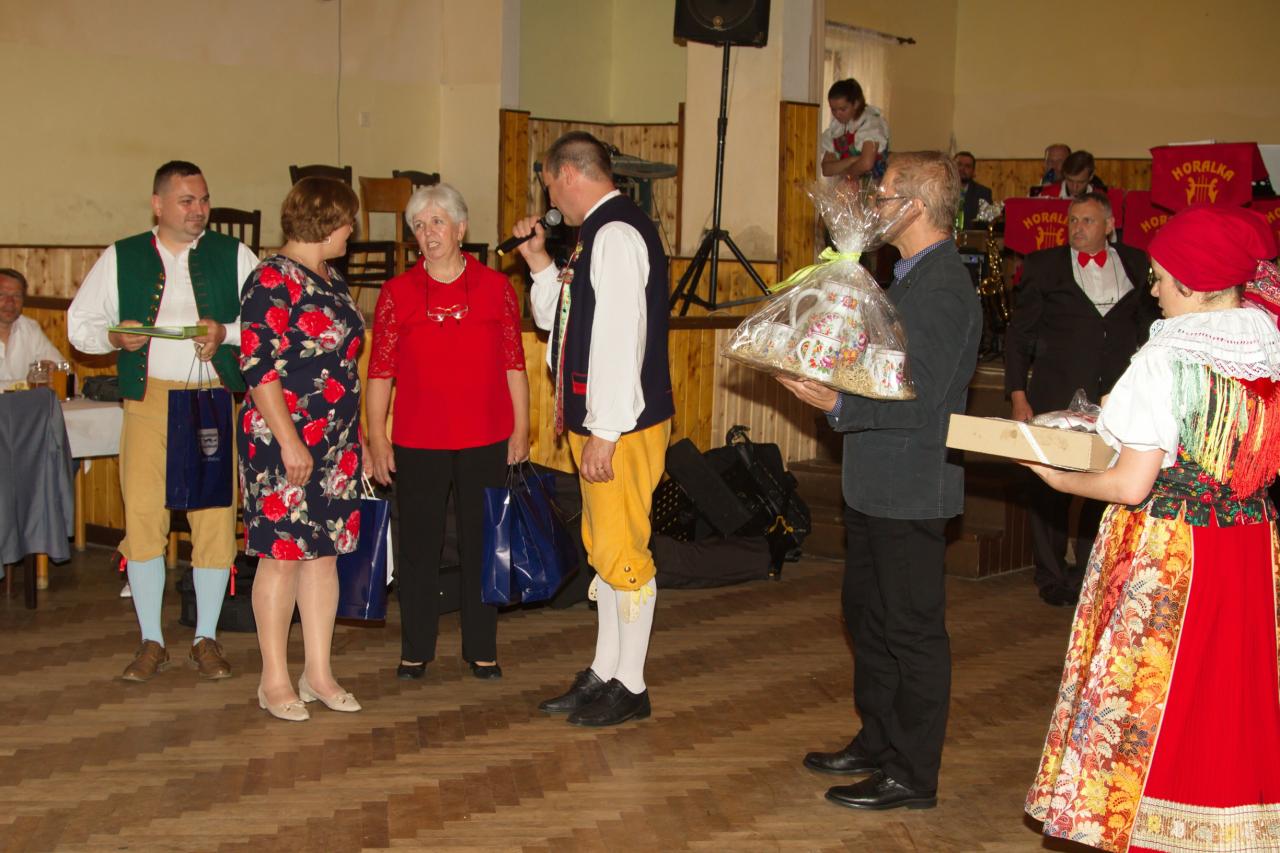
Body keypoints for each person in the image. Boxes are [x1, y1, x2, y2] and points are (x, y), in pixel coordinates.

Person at [1025, 205, 1280, 853]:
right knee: (1232, 692)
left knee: (1158, 688)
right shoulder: (1266, 344)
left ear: (1194, 283)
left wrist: (1059, 479)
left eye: (1162, 278)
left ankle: (1153, 825)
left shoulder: (1166, 358)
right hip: (1247, 541)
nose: (1154, 289)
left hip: (1173, 549)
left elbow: (1130, 484)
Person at [779, 151, 982, 810]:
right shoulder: (904, 277)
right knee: (868, 620)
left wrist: (836, 403)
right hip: (874, 482)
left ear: (916, 207)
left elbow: (918, 396)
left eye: (884, 194)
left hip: (911, 486)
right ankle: (878, 739)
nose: (874, 205)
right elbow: (878, 364)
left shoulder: (944, 287)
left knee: (910, 632)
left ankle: (912, 773)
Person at [67, 160, 259, 682]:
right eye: (186, 201)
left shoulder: (234, 255)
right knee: (143, 513)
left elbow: (267, 321)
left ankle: (206, 637)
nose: (199, 210)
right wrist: (115, 336)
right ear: (158, 204)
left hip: (212, 397)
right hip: (148, 399)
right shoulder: (123, 254)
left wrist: (225, 334)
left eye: (204, 199)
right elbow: (79, 325)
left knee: (214, 516)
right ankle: (151, 639)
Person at [512, 130, 674, 727]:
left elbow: (619, 338)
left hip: (619, 425)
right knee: (604, 548)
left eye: (549, 186)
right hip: (605, 421)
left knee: (623, 550)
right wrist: (539, 263)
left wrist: (605, 429)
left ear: (568, 175)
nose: (550, 199)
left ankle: (631, 684)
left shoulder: (617, 233)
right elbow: (565, 320)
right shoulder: (597, 234)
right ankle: (606, 671)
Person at [366, 183, 529, 682]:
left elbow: (514, 363)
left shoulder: (496, 288)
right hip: (418, 439)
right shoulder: (396, 294)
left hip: (486, 436)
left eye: (437, 222)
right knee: (419, 548)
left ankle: (482, 649)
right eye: (419, 225)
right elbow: (380, 372)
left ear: (461, 228)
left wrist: (522, 428)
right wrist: (377, 437)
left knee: (484, 545)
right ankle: (415, 649)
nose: (428, 233)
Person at [238, 177, 365, 722]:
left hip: (335, 442)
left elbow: (342, 361)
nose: (352, 230)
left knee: (324, 555)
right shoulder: (271, 278)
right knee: (282, 557)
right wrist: (290, 442)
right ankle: (273, 679)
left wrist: (354, 438)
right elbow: (257, 366)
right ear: (329, 222)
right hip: (281, 438)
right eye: (348, 220)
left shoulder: (331, 278)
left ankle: (318, 672)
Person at [1005, 192, 1156, 606]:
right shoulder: (1044, 266)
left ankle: (1090, 573)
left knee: (1104, 486)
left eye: (1087, 221)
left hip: (1115, 399)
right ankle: (1051, 576)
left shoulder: (1135, 262)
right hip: (1056, 396)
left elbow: (1146, 327)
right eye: (1073, 220)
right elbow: (1019, 336)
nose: (1077, 228)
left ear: (1109, 225)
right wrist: (1018, 395)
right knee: (1049, 488)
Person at [0, 268, 67, 389]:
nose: (10, 302)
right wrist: (27, 383)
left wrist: (54, 372)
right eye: (2, 295)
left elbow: (64, 370)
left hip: (26, 401)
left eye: (17, 296)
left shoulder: (30, 328)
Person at [820, 78, 890, 184]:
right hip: (848, 189)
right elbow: (827, 169)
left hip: (875, 187)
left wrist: (846, 174)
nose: (837, 114)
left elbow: (866, 164)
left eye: (843, 109)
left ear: (856, 104)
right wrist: (852, 160)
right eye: (833, 109)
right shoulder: (837, 128)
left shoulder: (871, 124)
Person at [1040, 149, 1108, 199]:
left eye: (1081, 182)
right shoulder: (1045, 195)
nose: (1074, 187)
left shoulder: (1102, 198)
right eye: (1070, 180)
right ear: (1064, 174)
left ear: (1091, 176)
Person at [953, 151, 992, 229]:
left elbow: (985, 223)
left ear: (973, 171)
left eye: (967, 166)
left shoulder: (983, 193)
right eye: (959, 164)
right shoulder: (941, 190)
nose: (962, 169)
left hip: (972, 235)